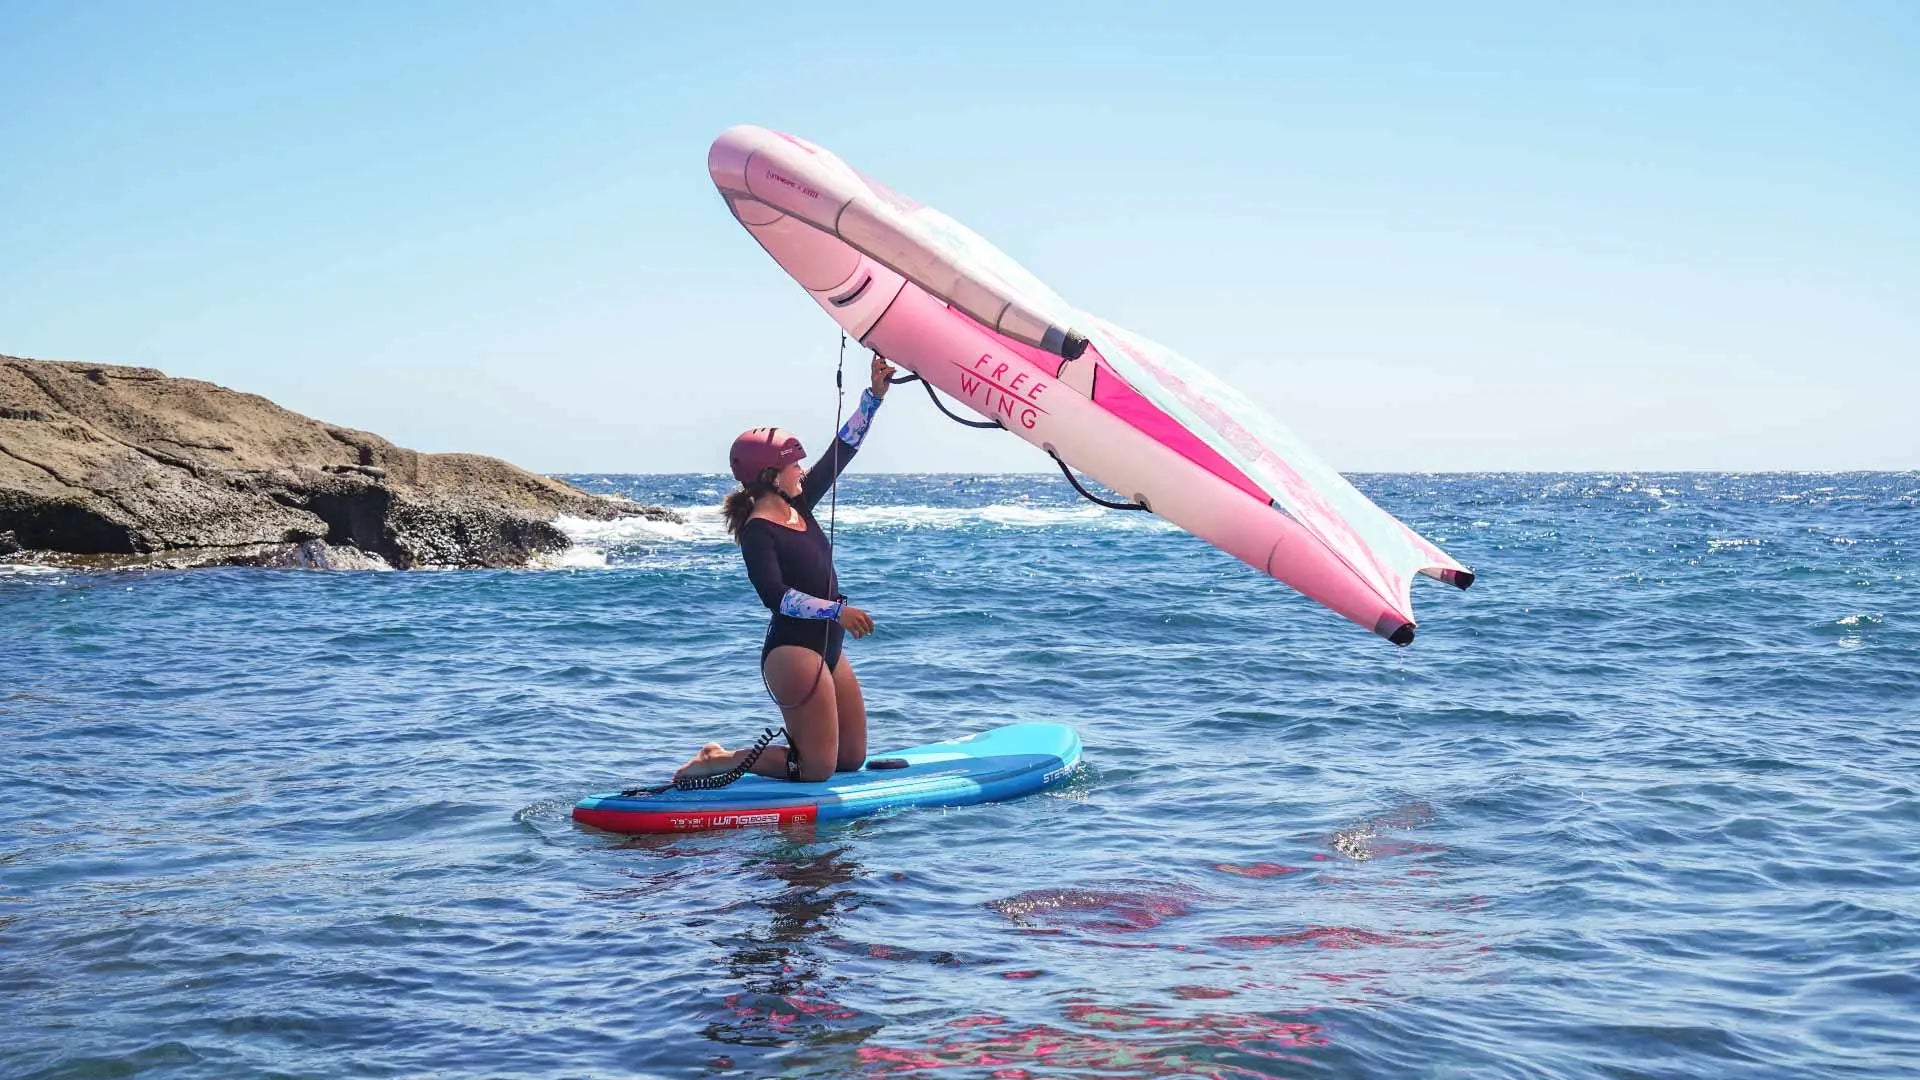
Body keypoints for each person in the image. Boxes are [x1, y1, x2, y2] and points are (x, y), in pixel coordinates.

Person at [675, 353, 896, 785]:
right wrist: (836, 611)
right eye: (794, 464)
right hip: (793, 652)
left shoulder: (800, 504)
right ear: (772, 475)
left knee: (849, 759)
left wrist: (874, 396)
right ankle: (720, 759)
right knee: (816, 770)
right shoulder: (759, 531)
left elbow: (842, 450)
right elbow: (775, 597)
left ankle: (740, 757)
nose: (802, 470)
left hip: (829, 648)